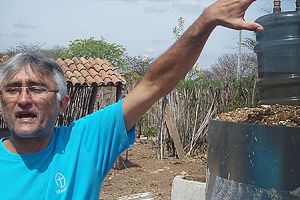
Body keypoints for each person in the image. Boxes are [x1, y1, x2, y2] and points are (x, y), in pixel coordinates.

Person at [0, 0, 263, 199]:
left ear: (62, 103)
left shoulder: (83, 142)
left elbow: (154, 84)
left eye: (36, 88)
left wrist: (206, 20)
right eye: (12, 89)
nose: (23, 99)